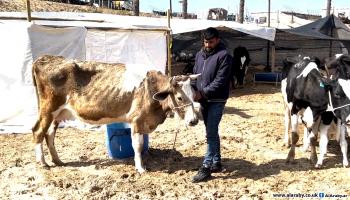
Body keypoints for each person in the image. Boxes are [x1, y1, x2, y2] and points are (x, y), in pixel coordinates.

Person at [191, 27, 232, 183]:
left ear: (218, 40)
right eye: (206, 42)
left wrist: (202, 93)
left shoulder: (224, 56)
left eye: (211, 42)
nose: (207, 45)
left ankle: (206, 167)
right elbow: (195, 75)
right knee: (211, 132)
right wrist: (193, 89)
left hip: (217, 100)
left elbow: (220, 81)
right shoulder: (199, 55)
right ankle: (216, 162)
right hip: (203, 101)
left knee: (211, 132)